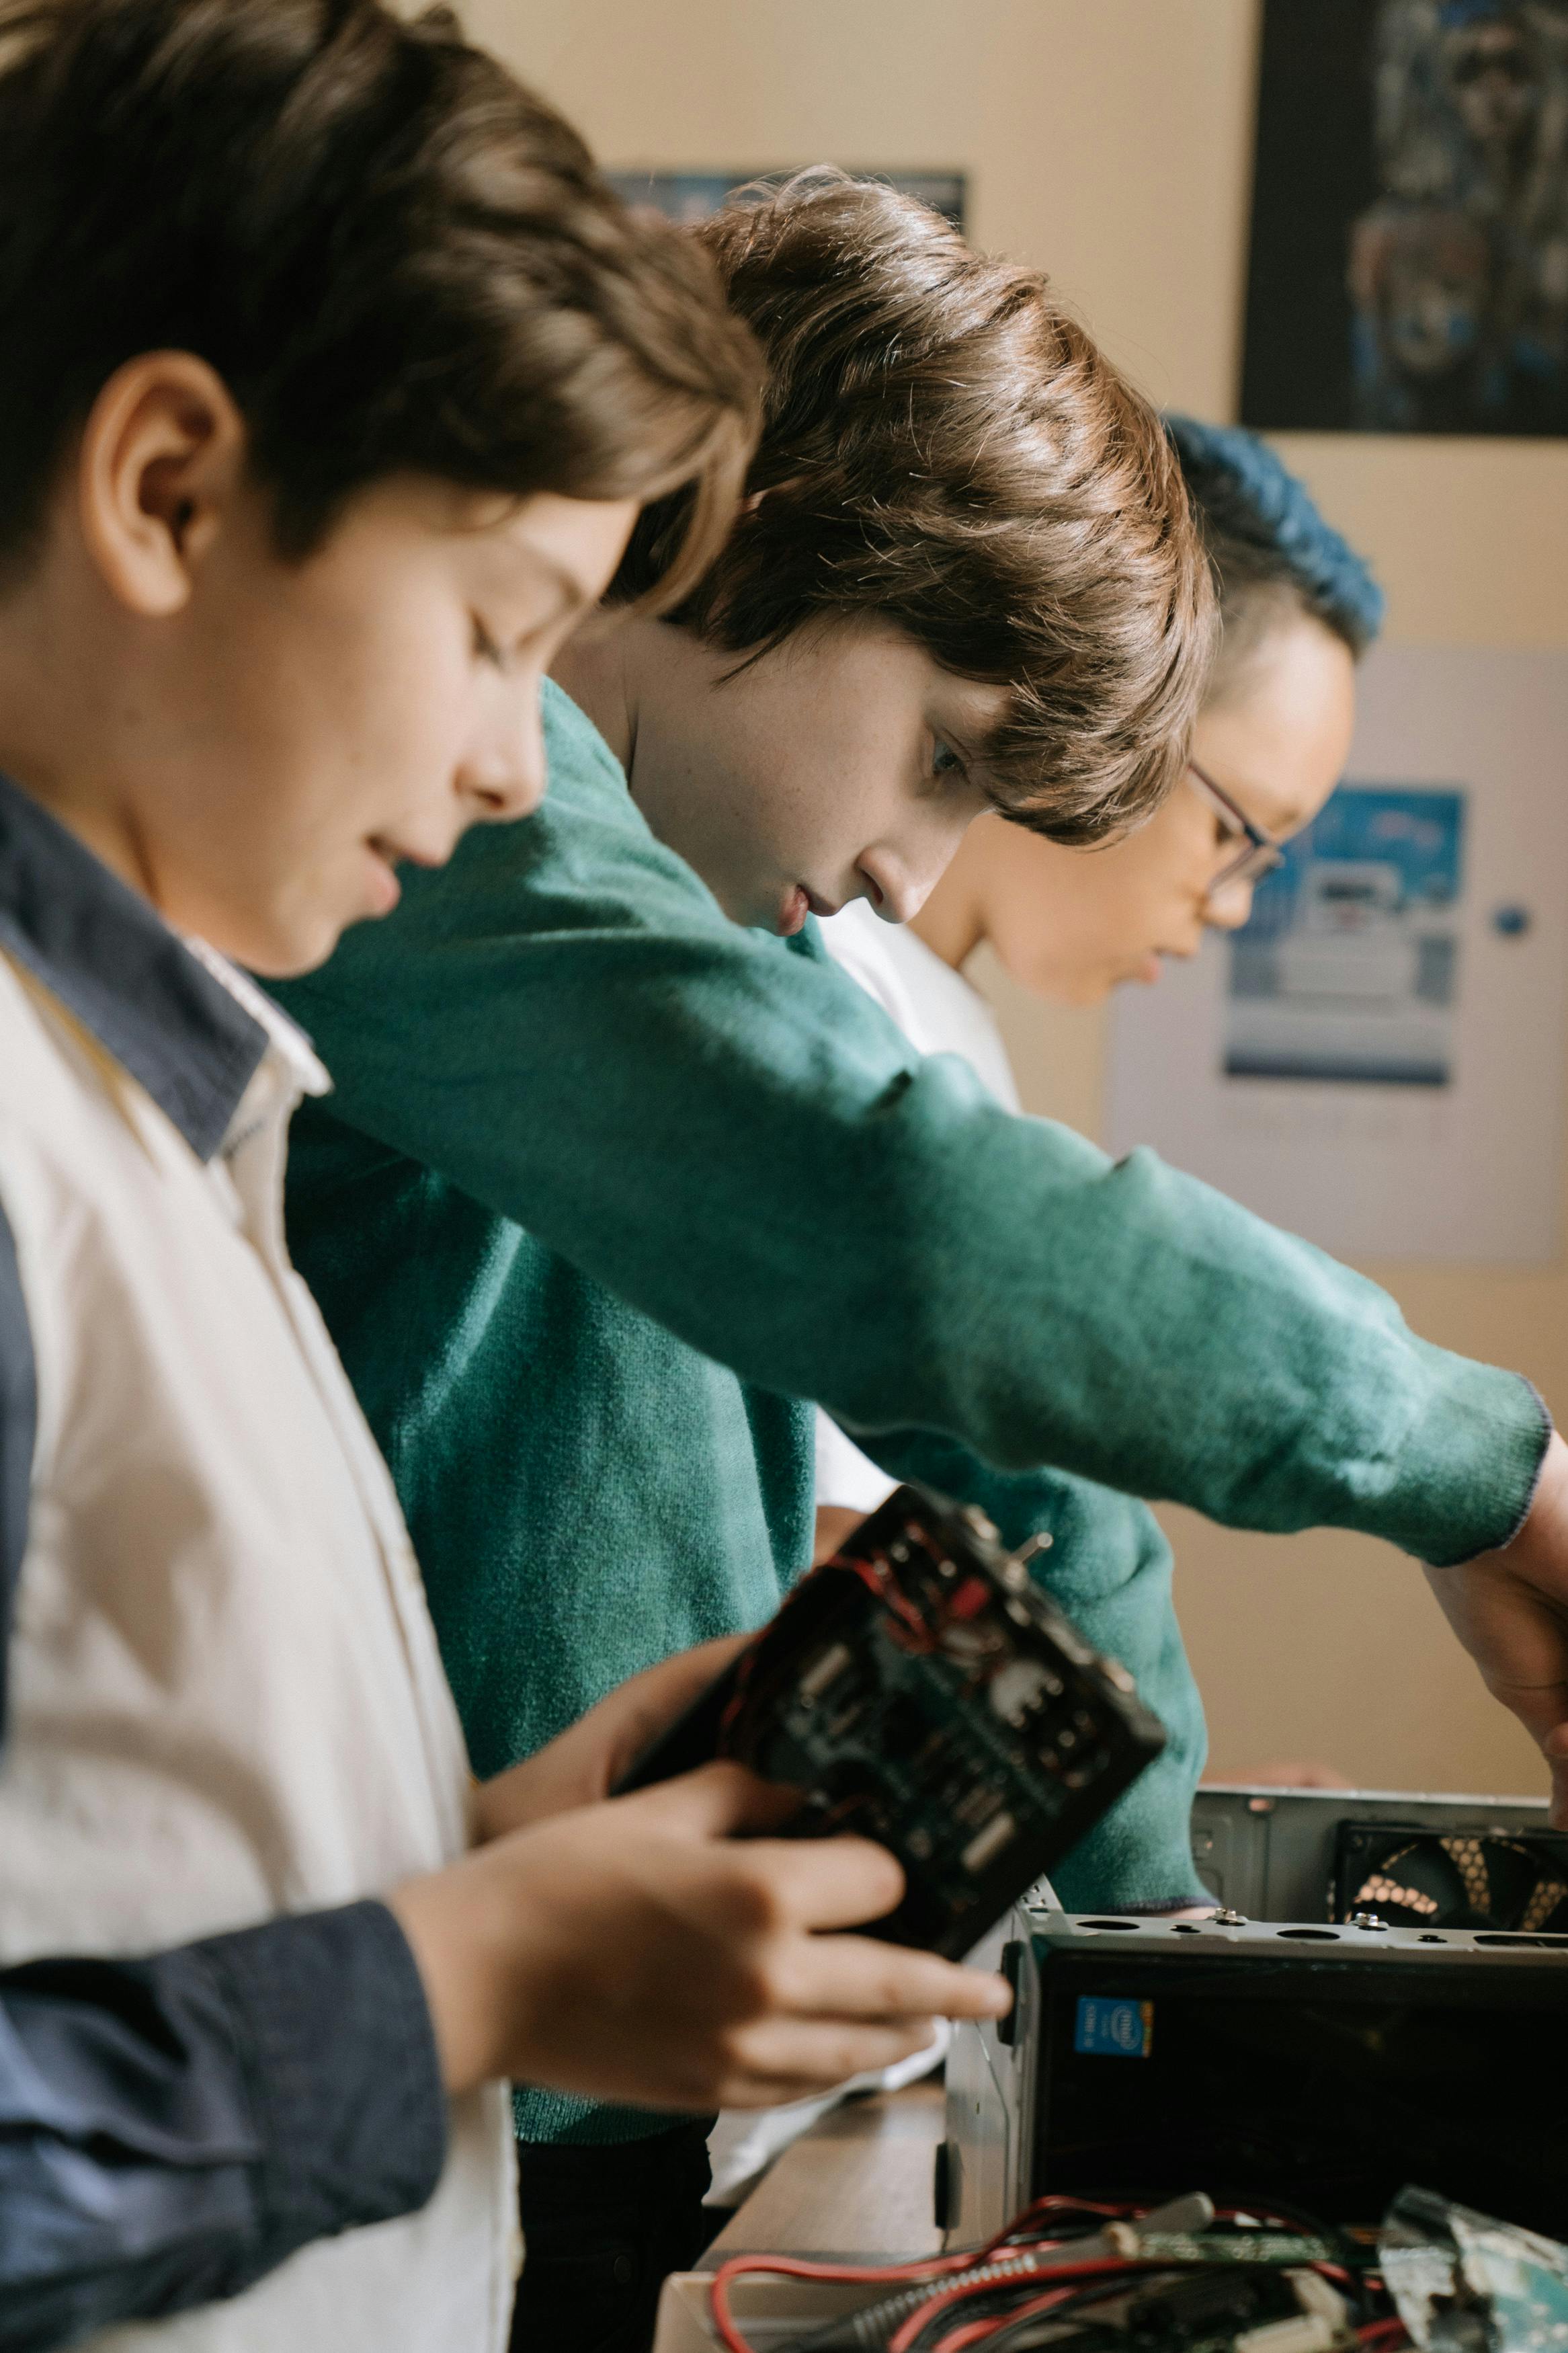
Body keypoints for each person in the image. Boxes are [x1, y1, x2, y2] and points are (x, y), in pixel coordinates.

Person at [274, 180, 1567, 2352]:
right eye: (944, 758)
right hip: (376, 2031)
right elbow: (905, 1218)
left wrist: (1162, 1950)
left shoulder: (670, 883)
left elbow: (995, 1428)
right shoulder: (465, 824)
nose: (899, 868)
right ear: (764, 521)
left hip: (578, 2101)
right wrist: (1490, 1475)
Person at [0, 18, 1013, 2351]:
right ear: (163, 484)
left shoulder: (176, 1107)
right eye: (489, 640)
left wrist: (494, 1864)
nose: (495, 772)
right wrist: (464, 1978)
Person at [813, 416, 1379, 1800]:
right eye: (1239, 836)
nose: (1232, 906)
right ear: (1111, 692)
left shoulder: (948, 1022)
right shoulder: (823, 982)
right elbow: (827, 1555)